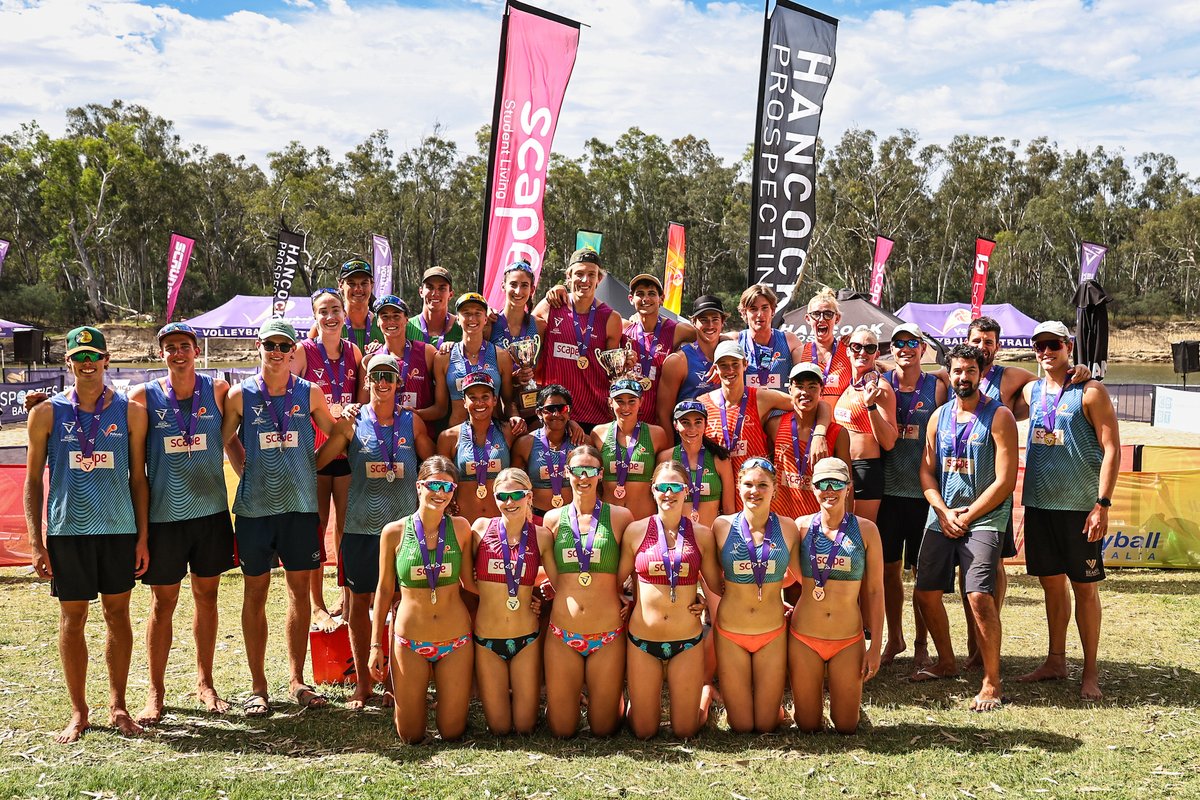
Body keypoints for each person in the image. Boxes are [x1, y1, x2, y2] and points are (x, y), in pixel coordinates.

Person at [24, 326, 149, 743]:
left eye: (94, 355)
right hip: (68, 531)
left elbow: (138, 479)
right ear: (69, 363)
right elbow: (31, 481)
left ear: (107, 359)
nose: (88, 362)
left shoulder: (130, 412)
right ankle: (79, 711)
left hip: (117, 529)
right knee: (72, 618)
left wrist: (143, 536)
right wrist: (35, 540)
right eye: (80, 356)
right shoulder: (46, 413)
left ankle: (118, 706)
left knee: (118, 616)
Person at [221, 319, 340, 716]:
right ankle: (258, 687)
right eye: (269, 344)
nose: (275, 352)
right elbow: (226, 440)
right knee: (254, 594)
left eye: (282, 345)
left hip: (300, 509)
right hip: (255, 511)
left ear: (293, 351)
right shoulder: (240, 395)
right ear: (259, 347)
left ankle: (297, 679)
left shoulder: (310, 394)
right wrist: (245, 469)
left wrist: (313, 466)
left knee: (298, 593)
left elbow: (335, 435)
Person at [958, 315, 1090, 667]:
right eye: (977, 341)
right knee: (964, 571)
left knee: (993, 566)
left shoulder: (1011, 377)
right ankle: (974, 645)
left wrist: (1079, 371)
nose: (982, 348)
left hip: (995, 493)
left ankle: (987, 645)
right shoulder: (955, 374)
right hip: (958, 490)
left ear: (997, 346)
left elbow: (1054, 385)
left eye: (989, 342)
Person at [128, 322, 237, 724]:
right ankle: (155, 692)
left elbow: (235, 439)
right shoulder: (142, 397)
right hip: (164, 519)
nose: (178, 353)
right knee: (163, 603)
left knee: (207, 598)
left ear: (196, 350)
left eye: (185, 346)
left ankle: (205, 681)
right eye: (170, 347)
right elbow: (134, 467)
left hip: (210, 513)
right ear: (162, 354)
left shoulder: (220, 390)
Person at [316, 353, 433, 710]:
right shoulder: (353, 422)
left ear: (399, 384)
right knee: (359, 607)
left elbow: (431, 467)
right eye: (376, 375)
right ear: (367, 380)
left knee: (402, 604)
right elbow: (320, 461)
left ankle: (397, 683)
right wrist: (333, 424)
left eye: (390, 377)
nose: (382, 382)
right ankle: (363, 685)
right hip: (361, 528)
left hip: (404, 531)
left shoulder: (412, 424)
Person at [1016, 321, 1121, 700]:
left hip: (1080, 508)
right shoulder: (1031, 390)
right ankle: (1056, 660)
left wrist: (1102, 504)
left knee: (1085, 589)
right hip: (1041, 505)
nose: (1046, 352)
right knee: (1051, 585)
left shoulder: (1090, 391)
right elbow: (990, 383)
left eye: (1053, 345)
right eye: (1039, 345)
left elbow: (1112, 448)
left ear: (1068, 345)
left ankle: (1090, 671)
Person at [915, 344, 1017, 712]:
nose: (962, 377)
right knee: (926, 593)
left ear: (981, 373)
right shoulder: (938, 417)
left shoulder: (999, 416)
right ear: (949, 372)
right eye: (957, 371)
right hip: (942, 516)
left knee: (978, 597)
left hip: (984, 518)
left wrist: (968, 515)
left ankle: (992, 681)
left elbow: (1005, 481)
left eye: (970, 371)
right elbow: (927, 471)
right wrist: (942, 511)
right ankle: (946, 661)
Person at [369, 457, 475, 743]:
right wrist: (376, 645)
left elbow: (471, 584)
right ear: (419, 486)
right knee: (410, 736)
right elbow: (383, 589)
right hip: (410, 640)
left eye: (448, 487)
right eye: (434, 485)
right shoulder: (394, 532)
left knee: (452, 732)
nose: (440, 493)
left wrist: (523, 593)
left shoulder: (462, 529)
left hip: (456, 639)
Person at [618, 461, 723, 739]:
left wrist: (700, 596)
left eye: (675, 486)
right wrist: (623, 603)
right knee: (643, 731)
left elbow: (716, 584)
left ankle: (705, 695)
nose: (668, 493)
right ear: (653, 491)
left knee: (686, 731)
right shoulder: (635, 532)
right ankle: (628, 704)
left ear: (686, 491)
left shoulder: (701, 535)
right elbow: (615, 582)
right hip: (643, 641)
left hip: (686, 641)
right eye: (662, 487)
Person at [538, 445, 633, 737]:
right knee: (561, 731)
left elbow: (634, 567)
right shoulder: (552, 520)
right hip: (562, 635)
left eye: (590, 470)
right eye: (577, 470)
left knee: (604, 730)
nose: (583, 477)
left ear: (600, 474)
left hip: (607, 635)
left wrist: (630, 595)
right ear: (567, 474)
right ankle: (562, 700)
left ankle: (617, 701)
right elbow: (550, 572)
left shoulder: (620, 517)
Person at [790, 457, 884, 734]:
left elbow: (876, 591)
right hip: (804, 637)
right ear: (813, 487)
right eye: (822, 484)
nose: (829, 490)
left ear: (848, 487)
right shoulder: (800, 527)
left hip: (847, 639)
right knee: (807, 726)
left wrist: (876, 646)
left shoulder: (866, 530)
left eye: (836, 483)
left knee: (846, 726)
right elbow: (779, 573)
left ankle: (852, 708)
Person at [293, 288, 364, 632]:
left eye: (336, 309)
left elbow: (363, 399)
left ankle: (347, 598)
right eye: (323, 311)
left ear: (344, 313)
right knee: (315, 529)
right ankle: (317, 604)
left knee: (346, 531)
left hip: (346, 453)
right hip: (315, 454)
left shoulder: (354, 352)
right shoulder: (304, 351)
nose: (331, 316)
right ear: (315, 316)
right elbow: (287, 388)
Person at [877, 323, 947, 667]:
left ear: (922, 348)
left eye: (911, 343)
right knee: (890, 573)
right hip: (888, 492)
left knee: (923, 575)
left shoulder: (937, 386)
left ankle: (922, 643)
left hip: (923, 495)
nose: (905, 348)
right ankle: (895, 638)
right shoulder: (881, 383)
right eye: (898, 343)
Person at [711, 458, 798, 733]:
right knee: (742, 727)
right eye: (748, 484)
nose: (755, 491)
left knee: (765, 726)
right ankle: (706, 694)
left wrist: (774, 587)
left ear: (775, 489)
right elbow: (709, 575)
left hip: (771, 633)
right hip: (730, 634)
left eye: (763, 485)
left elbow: (801, 574)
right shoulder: (721, 526)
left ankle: (774, 707)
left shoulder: (788, 528)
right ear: (738, 487)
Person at [471, 468, 544, 734]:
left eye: (517, 495)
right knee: (499, 728)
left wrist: (539, 595)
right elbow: (465, 578)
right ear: (494, 497)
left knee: (525, 727)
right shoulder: (480, 528)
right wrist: (493, 594)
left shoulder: (542, 535)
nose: (510, 502)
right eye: (503, 496)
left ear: (529, 496)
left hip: (526, 638)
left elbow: (564, 579)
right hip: (487, 639)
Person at [699, 341, 812, 493]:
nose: (730, 370)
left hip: (754, 491)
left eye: (735, 364)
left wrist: (819, 433)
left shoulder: (761, 398)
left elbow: (810, 404)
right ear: (716, 368)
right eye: (724, 365)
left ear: (745, 364)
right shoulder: (702, 404)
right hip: (716, 492)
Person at [532, 247, 623, 431]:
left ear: (599, 279)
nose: (585, 280)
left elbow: (613, 373)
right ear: (569, 276)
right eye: (579, 274)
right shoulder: (550, 306)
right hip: (555, 412)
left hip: (594, 415)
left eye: (592, 274)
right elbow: (522, 334)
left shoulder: (611, 318)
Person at [768, 363, 851, 520]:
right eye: (799, 386)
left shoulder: (838, 433)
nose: (805, 392)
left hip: (819, 523)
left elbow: (848, 484)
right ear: (789, 390)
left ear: (822, 390)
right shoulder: (774, 425)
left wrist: (846, 522)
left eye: (812, 387)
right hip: (780, 520)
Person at [833, 328, 898, 524]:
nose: (862, 352)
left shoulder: (881, 388)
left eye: (869, 348)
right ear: (848, 351)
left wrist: (871, 406)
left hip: (864, 470)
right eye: (857, 347)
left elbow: (888, 442)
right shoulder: (850, 385)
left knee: (859, 535)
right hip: (842, 468)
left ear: (876, 354)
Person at [437, 372, 516, 522]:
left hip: (500, 524)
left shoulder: (509, 432)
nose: (479, 403)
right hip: (463, 524)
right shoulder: (448, 437)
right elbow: (442, 482)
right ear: (464, 402)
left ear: (494, 400)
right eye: (473, 397)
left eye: (485, 397)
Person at [591, 378, 672, 521]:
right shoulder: (598, 433)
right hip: (609, 520)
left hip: (644, 519)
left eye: (632, 401)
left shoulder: (657, 434)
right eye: (619, 401)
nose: (625, 407)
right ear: (610, 402)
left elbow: (666, 476)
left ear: (641, 402)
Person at [435, 292, 516, 428]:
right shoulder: (444, 357)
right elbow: (440, 408)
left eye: (478, 313)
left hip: (493, 436)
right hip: (457, 436)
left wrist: (515, 417)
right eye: (466, 313)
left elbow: (508, 402)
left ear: (485, 319)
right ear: (458, 319)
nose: (472, 318)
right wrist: (413, 413)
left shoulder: (501, 356)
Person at [622, 273, 695, 423]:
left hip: (659, 420)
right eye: (640, 294)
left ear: (661, 299)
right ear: (631, 299)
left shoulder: (676, 330)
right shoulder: (623, 328)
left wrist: (734, 338)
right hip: (628, 417)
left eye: (651, 294)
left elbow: (708, 336)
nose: (646, 299)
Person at [656, 295, 727, 431]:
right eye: (704, 320)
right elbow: (663, 414)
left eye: (715, 319)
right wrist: (672, 450)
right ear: (694, 322)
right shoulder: (678, 361)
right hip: (690, 443)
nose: (710, 325)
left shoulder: (731, 359)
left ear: (722, 322)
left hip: (724, 440)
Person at [658, 400, 734, 527]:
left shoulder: (720, 459)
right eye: (685, 422)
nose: (692, 429)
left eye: (698, 422)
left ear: (706, 424)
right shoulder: (665, 458)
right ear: (675, 425)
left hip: (710, 539)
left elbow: (728, 509)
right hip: (677, 539)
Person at [369, 294, 440, 424]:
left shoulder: (427, 352)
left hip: (421, 436)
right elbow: (365, 407)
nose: (391, 321)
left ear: (406, 319)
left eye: (396, 316)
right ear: (378, 322)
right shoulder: (373, 359)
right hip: (387, 437)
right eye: (385, 317)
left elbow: (441, 408)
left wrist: (415, 415)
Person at [512, 385, 578, 523]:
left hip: (573, 517)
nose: (556, 414)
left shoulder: (581, 442)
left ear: (569, 411)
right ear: (539, 413)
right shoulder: (525, 444)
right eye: (549, 409)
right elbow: (514, 483)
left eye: (562, 408)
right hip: (536, 517)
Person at [732, 284, 805, 396]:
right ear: (744, 313)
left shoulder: (790, 341)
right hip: (747, 412)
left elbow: (805, 379)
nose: (760, 314)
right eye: (753, 309)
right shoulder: (735, 341)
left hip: (781, 412)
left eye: (765, 308)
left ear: (773, 310)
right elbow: (702, 335)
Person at [796, 287, 854, 400]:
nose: (821, 319)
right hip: (810, 417)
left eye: (828, 314)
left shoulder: (849, 350)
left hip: (839, 417)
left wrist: (857, 339)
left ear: (837, 318)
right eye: (816, 314)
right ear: (808, 319)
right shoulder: (799, 353)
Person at [406, 266, 463, 347]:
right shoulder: (406, 327)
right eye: (430, 287)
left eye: (442, 288)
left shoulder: (461, 328)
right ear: (421, 292)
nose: (435, 293)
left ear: (450, 294)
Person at [336, 258, 383, 351]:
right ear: (341, 285)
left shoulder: (382, 325)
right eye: (352, 283)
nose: (358, 289)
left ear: (372, 285)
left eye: (364, 283)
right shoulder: (330, 324)